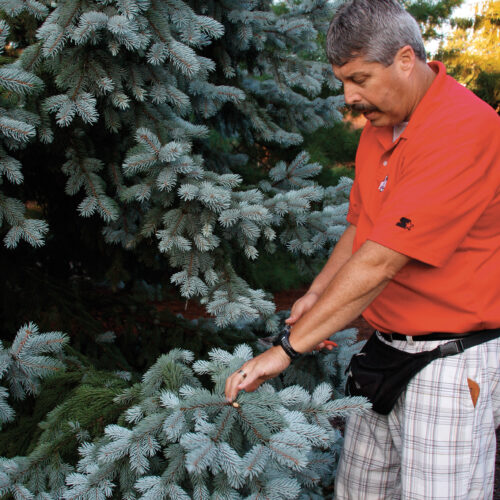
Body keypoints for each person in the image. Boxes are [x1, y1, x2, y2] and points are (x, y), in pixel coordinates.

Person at [225, 0, 500, 498]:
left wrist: (288, 349)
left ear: (403, 59)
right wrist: (316, 294)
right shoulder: (378, 129)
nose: (349, 97)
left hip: (451, 360)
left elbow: (381, 260)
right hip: (383, 349)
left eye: (360, 79)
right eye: (343, 82)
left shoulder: (464, 128)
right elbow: (361, 228)